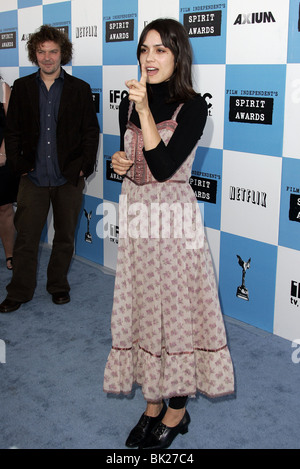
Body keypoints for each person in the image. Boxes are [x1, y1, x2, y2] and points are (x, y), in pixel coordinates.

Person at [103, 18, 235, 449]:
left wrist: (142, 110)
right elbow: (134, 161)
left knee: (176, 314)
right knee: (144, 308)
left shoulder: (194, 106)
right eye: (144, 49)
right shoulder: (131, 98)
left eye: (160, 49)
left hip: (174, 223)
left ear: (177, 54)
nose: (149, 57)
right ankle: (153, 400)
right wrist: (118, 163)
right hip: (139, 219)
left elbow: (163, 169)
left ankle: (177, 409)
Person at [0, 25, 99, 314]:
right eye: (41, 51)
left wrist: (83, 167)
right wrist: (19, 165)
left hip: (68, 177)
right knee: (26, 238)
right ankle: (19, 291)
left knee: (65, 237)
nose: (47, 57)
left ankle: (58, 286)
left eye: (52, 51)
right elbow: (13, 130)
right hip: (32, 177)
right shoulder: (21, 87)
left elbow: (90, 132)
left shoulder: (79, 89)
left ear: (62, 54)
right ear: (35, 54)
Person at [0, 76, 19, 271]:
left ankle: (10, 254)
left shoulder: (2, 88)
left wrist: (3, 152)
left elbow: (13, 126)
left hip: (1, 158)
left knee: (4, 208)